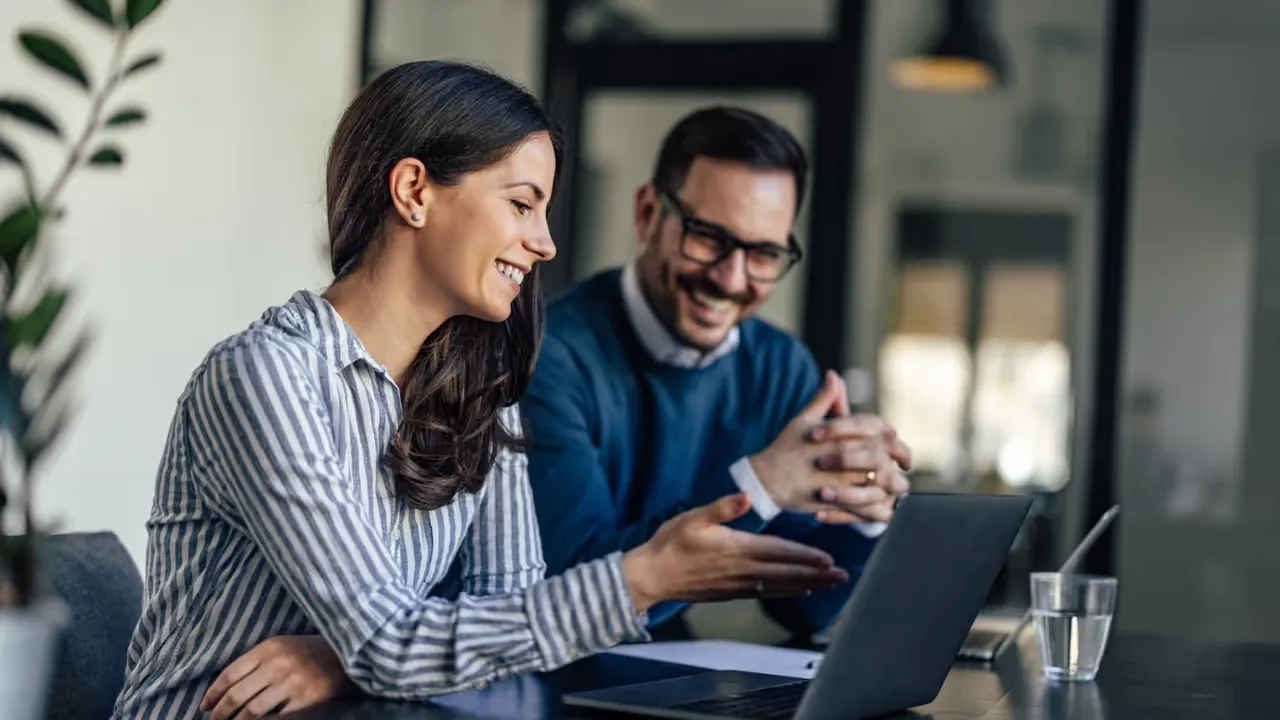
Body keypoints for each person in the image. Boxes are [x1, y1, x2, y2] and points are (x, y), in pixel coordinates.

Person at [111, 63, 850, 720]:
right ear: (414, 192)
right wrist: (641, 577)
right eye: (523, 204)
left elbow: (507, 613)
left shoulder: (477, 390)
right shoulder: (266, 377)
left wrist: (346, 658)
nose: (546, 242)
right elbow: (390, 643)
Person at [520, 106, 913, 641]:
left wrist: (867, 509)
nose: (731, 279)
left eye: (764, 254)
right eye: (707, 237)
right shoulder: (547, 355)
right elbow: (569, 589)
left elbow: (805, 608)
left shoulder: (780, 367)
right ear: (647, 213)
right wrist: (760, 488)